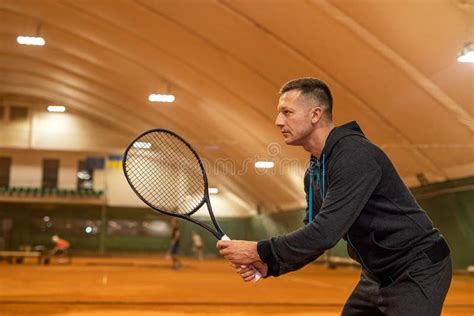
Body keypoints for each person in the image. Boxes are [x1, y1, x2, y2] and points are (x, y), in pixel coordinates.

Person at [217, 77, 452, 315]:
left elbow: (325, 233)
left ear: (315, 114)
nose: (278, 121)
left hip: (416, 268)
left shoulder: (355, 155)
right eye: (279, 113)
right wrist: (271, 266)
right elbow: (312, 235)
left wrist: (258, 250)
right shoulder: (314, 172)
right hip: (375, 274)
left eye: (287, 112)